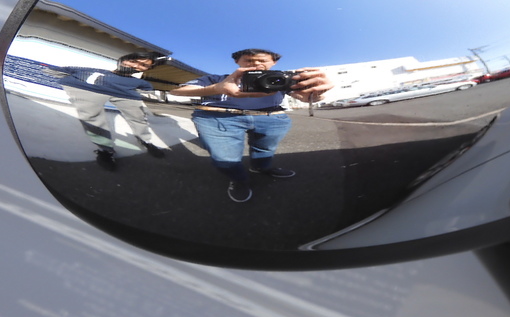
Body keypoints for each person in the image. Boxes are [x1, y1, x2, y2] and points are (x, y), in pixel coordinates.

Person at [169, 48, 332, 203]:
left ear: (273, 63)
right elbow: (177, 91)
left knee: (265, 149)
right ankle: (238, 179)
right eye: (249, 60)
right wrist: (217, 88)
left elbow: (304, 98)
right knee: (225, 158)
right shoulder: (218, 78)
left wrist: (316, 93)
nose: (256, 64)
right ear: (237, 62)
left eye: (262, 61)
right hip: (217, 117)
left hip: (271, 118)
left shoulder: (279, 79)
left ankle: (261, 168)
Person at [54, 52, 166, 169]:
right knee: (91, 119)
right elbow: (58, 71)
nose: (135, 66)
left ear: (147, 69)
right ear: (122, 60)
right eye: (133, 61)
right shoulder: (93, 71)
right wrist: (72, 85)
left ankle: (145, 141)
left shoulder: (140, 82)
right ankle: (105, 150)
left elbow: (147, 91)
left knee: (138, 117)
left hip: (125, 95)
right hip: (91, 91)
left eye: (144, 65)